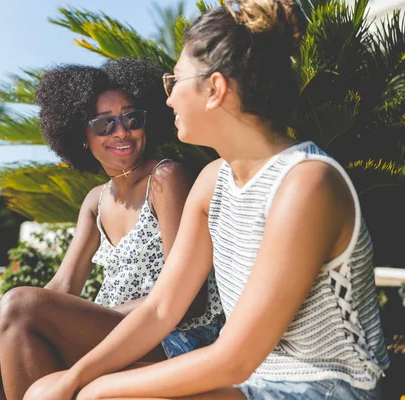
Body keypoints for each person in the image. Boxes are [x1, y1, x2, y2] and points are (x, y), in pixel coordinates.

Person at [25, 1, 390, 399]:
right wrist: (74, 377)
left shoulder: (305, 184)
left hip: (328, 387)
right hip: (252, 380)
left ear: (214, 89)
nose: (167, 100)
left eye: (174, 81)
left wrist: (92, 389)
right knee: (49, 388)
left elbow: (235, 358)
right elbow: (160, 308)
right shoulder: (212, 181)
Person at [0, 58, 224, 400]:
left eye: (131, 118)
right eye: (104, 125)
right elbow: (64, 287)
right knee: (0, 379)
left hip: (174, 340)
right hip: (113, 338)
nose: (121, 132)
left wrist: (81, 321)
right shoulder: (96, 201)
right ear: (80, 136)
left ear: (148, 121)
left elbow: (191, 301)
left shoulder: (166, 178)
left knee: (19, 306)